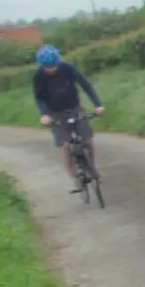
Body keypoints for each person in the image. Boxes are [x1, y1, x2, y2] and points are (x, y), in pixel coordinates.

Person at [32, 44, 104, 190]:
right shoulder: (38, 76)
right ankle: (75, 178)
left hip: (74, 107)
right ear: (42, 65)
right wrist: (44, 115)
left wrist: (97, 104)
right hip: (55, 112)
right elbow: (39, 98)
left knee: (87, 141)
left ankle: (93, 169)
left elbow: (85, 85)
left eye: (53, 65)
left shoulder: (67, 68)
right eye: (47, 67)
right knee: (65, 146)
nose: (51, 69)